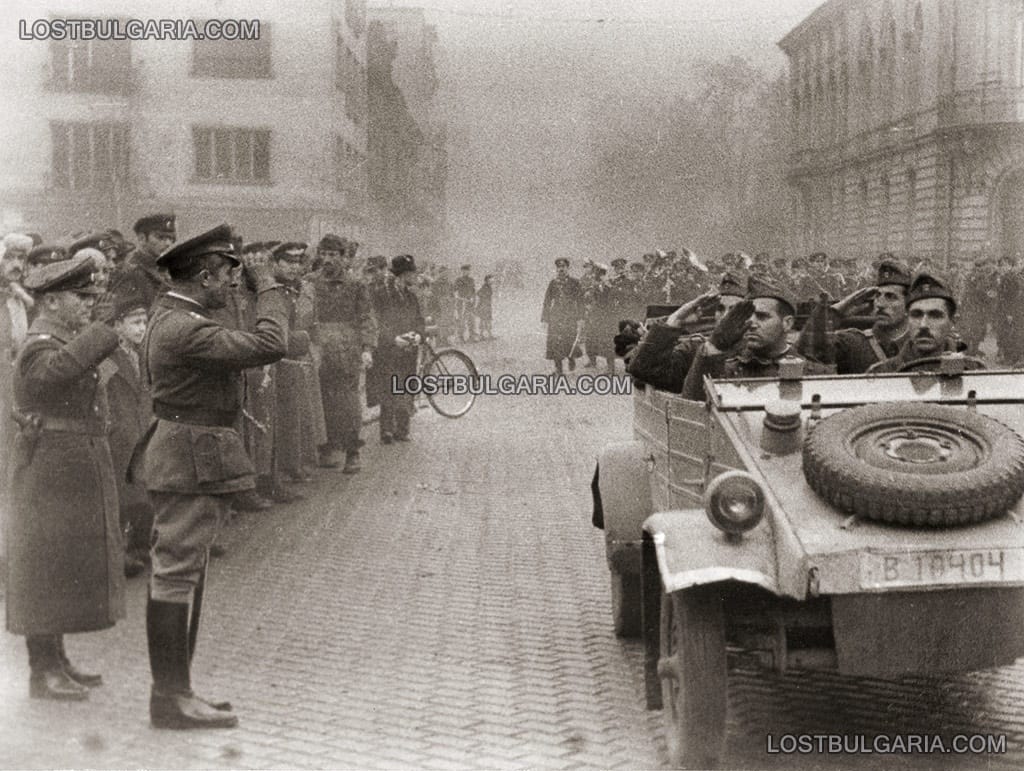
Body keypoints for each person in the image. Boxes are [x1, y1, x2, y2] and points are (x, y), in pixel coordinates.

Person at [137, 223, 289, 729]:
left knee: (182, 572)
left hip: (186, 452)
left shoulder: (175, 315)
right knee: (177, 573)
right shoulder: (187, 327)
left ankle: (179, 691)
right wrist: (267, 287)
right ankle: (171, 697)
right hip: (189, 458)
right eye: (228, 274)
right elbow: (271, 342)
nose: (232, 283)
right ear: (206, 274)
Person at [6, 253, 124, 701]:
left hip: (64, 467)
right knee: (44, 569)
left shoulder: (59, 338)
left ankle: (56, 659)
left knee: (59, 566)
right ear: (52, 301)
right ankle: (42, 671)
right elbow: (52, 378)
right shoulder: (40, 343)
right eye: (80, 296)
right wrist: (103, 332)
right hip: (48, 469)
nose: (88, 303)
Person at [681, 276, 832, 400]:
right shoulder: (726, 371)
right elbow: (692, 408)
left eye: (762, 317)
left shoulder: (815, 373)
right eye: (748, 316)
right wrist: (714, 345)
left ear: (787, 323)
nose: (751, 324)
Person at [312, 234, 377, 473]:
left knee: (348, 402)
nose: (327, 259)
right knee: (321, 399)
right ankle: (327, 447)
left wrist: (367, 349)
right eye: (324, 254)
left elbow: (366, 318)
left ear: (342, 257)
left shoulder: (355, 284)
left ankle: (352, 452)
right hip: (319, 349)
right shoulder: (310, 282)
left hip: (346, 351)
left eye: (333, 255)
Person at [102, 290, 154, 577]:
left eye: (144, 322)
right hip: (120, 437)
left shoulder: (143, 353)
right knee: (122, 499)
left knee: (144, 495)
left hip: (142, 432)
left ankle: (141, 546)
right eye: (134, 323)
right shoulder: (109, 359)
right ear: (118, 325)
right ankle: (119, 553)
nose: (141, 329)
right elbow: (102, 393)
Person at [627, 272, 746, 393]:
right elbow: (643, 370)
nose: (725, 316)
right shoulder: (695, 350)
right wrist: (675, 320)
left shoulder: (758, 352)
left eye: (734, 310)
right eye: (720, 309)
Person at [797, 258, 912, 374]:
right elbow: (806, 347)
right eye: (877, 296)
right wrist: (838, 310)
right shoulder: (853, 343)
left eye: (890, 297)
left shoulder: (921, 344)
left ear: (909, 304)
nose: (880, 304)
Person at [868, 272, 982, 374]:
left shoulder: (973, 372)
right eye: (916, 315)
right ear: (907, 319)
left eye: (935, 315)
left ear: (952, 322)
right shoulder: (882, 374)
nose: (923, 325)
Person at [374, 255, 426, 443]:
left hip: (408, 350)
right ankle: (387, 430)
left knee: (406, 387)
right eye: (412, 272)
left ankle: (402, 429)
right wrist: (393, 339)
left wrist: (419, 335)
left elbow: (419, 320)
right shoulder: (381, 294)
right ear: (404, 274)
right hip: (390, 349)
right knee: (389, 388)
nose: (415, 276)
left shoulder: (411, 296)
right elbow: (377, 323)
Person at [109, 214, 176, 309]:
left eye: (171, 238)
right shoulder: (131, 271)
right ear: (142, 239)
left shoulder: (163, 268)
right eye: (161, 237)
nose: (168, 243)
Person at [541, 257, 583, 375]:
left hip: (570, 316)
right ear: (556, 269)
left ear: (568, 268)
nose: (561, 269)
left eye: (563, 267)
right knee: (555, 342)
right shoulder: (553, 283)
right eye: (559, 267)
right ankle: (558, 369)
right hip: (556, 316)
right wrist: (545, 319)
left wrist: (580, 318)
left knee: (569, 340)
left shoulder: (575, 282)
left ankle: (571, 358)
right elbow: (547, 301)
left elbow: (580, 301)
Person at [453, 264, 477, 342]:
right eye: (464, 270)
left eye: (468, 270)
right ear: (462, 271)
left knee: (471, 320)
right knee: (461, 320)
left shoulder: (471, 280)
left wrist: (473, 298)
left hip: (470, 303)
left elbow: (473, 291)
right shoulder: (458, 280)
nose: (466, 272)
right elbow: (454, 292)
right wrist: (460, 298)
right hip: (461, 303)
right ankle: (460, 337)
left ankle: (472, 336)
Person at [476, 273, 494, 340]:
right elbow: (478, 293)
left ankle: (488, 334)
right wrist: (484, 299)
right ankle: (482, 335)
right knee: (484, 320)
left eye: (492, 279)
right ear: (486, 280)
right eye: (490, 279)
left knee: (487, 320)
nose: (492, 281)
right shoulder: (485, 287)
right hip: (483, 306)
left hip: (487, 305)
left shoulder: (489, 287)